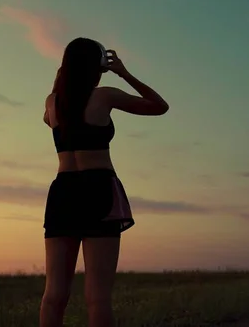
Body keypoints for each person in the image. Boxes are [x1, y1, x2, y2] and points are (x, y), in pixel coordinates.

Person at [40, 37, 169, 327]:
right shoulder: (104, 96)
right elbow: (159, 106)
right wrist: (124, 73)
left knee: (53, 295)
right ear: (97, 66)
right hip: (97, 188)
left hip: (63, 192)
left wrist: (60, 78)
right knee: (97, 297)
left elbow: (47, 120)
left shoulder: (52, 102)